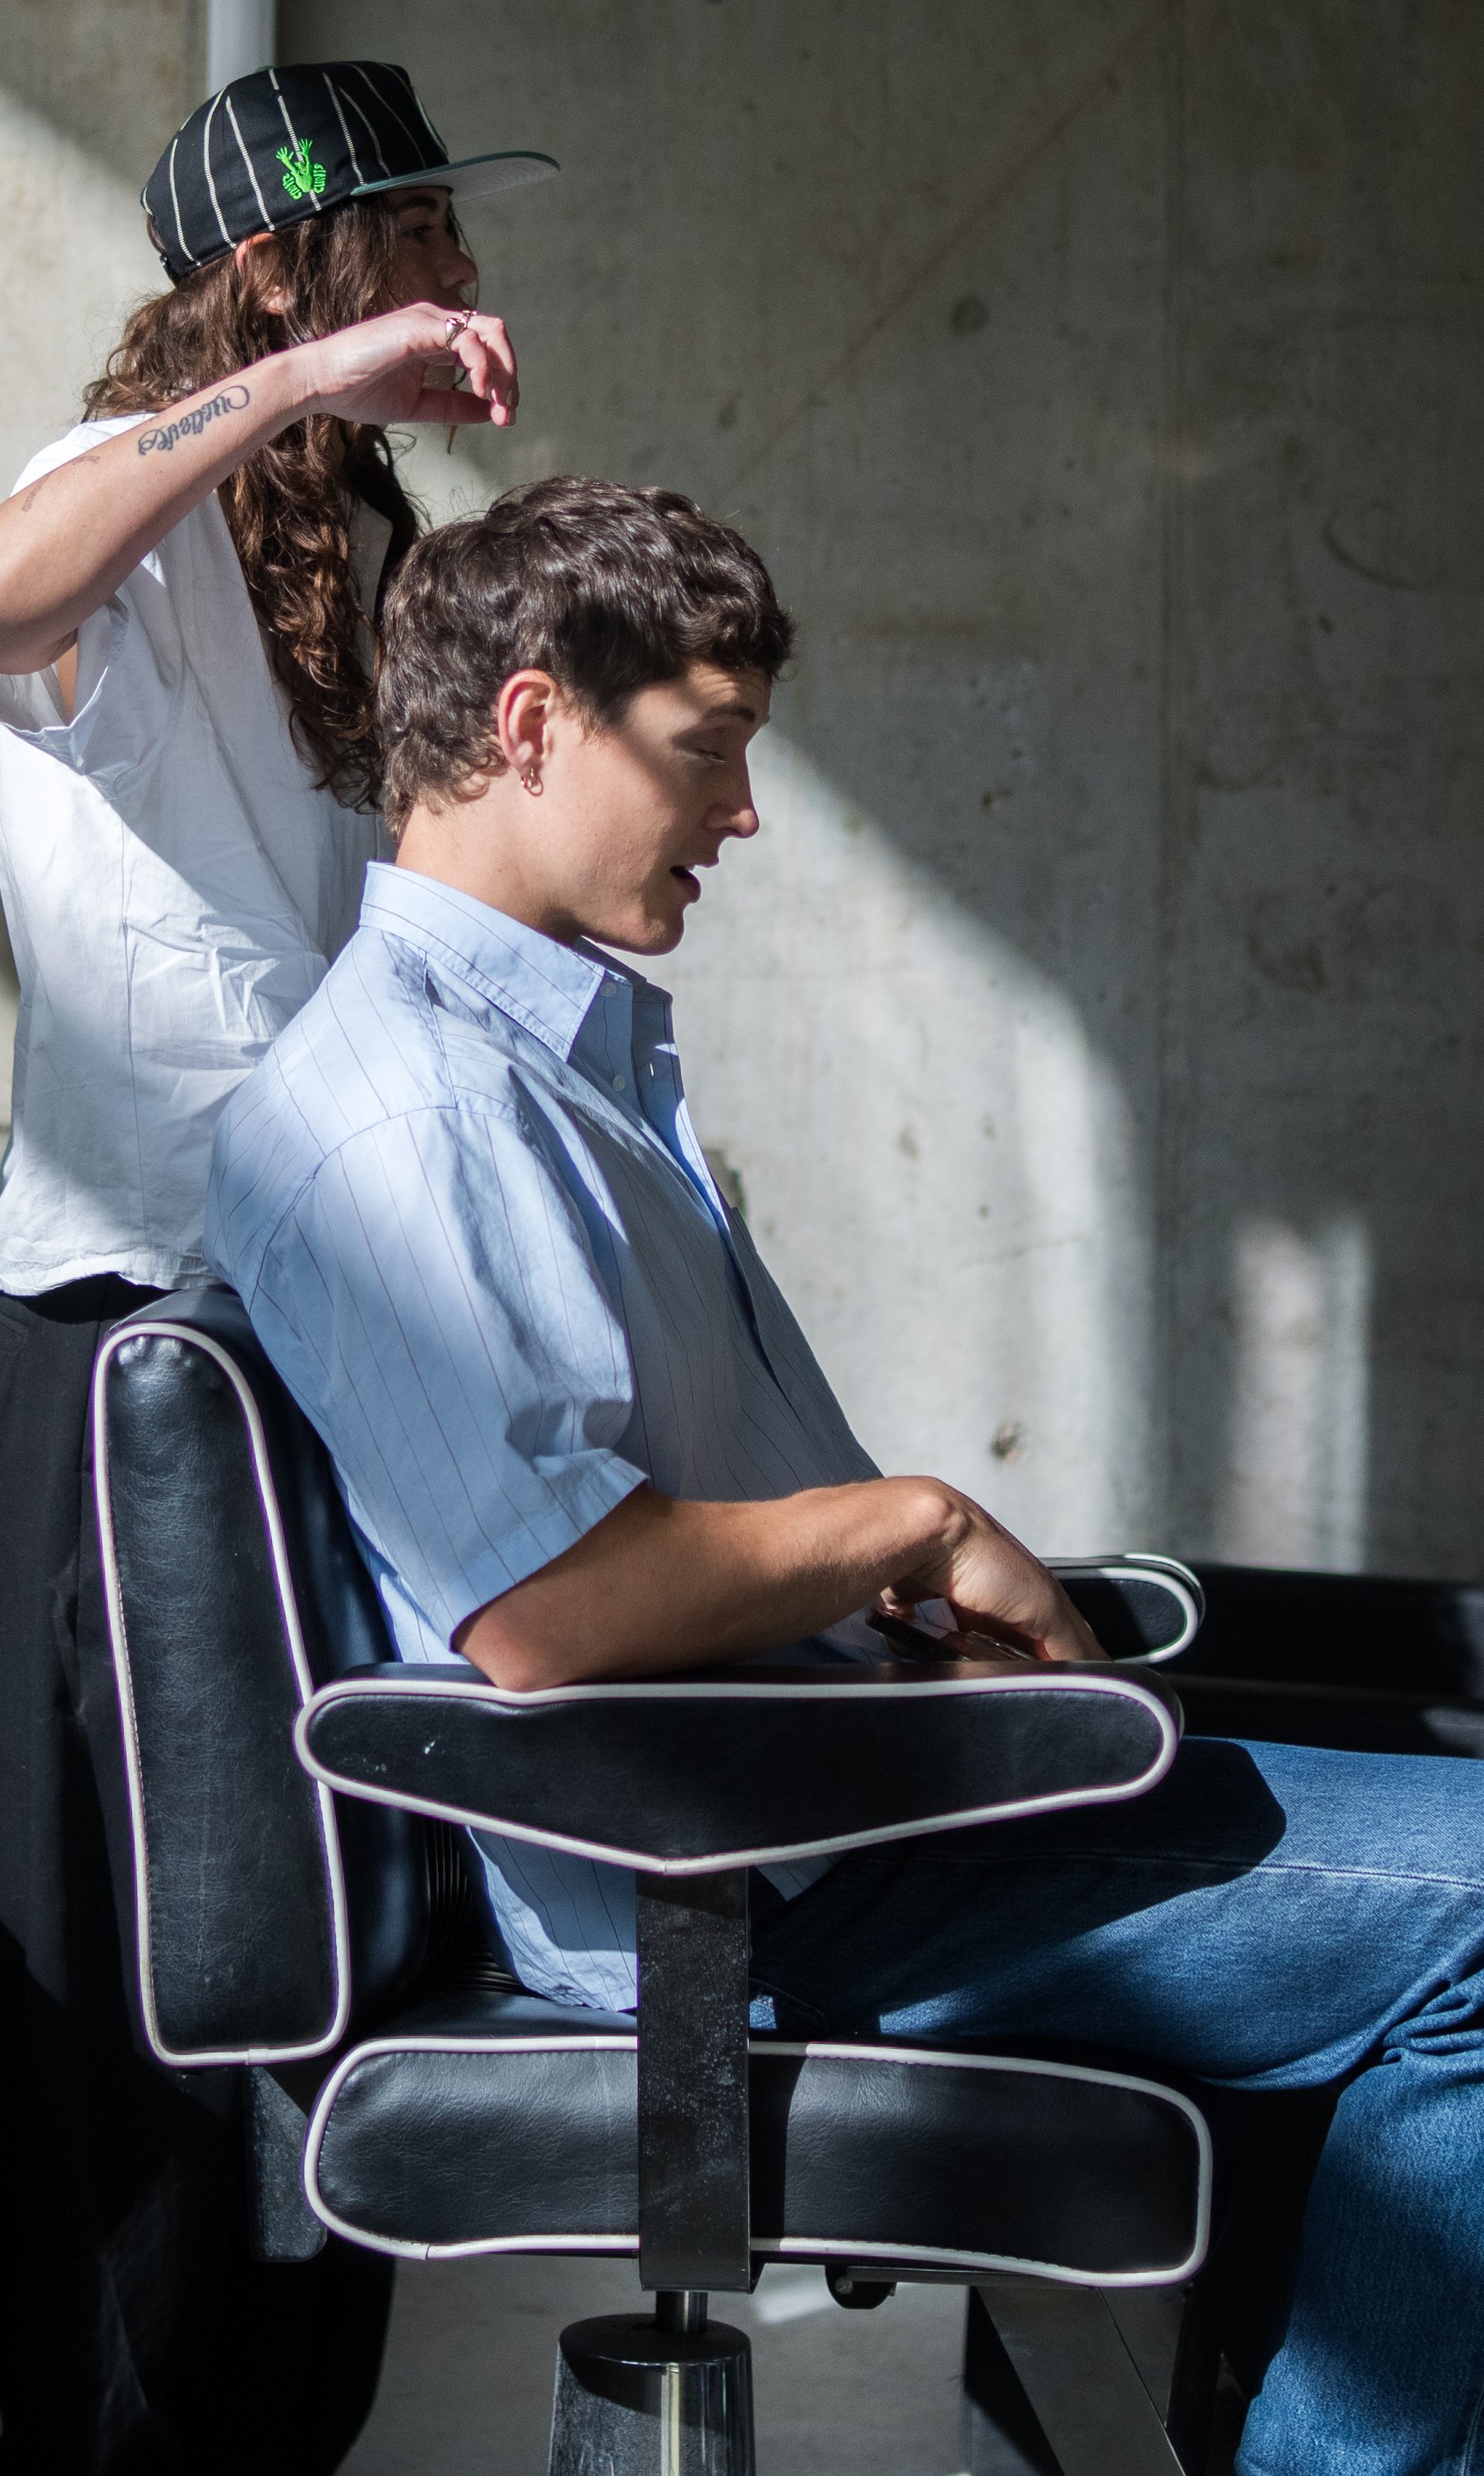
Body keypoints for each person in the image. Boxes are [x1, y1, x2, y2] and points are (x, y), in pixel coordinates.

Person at [204, 476, 1484, 2476]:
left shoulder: (550, 1074)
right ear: (532, 724)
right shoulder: (404, 1114)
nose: (742, 816)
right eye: (708, 752)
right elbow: (545, 1612)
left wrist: (888, 1633)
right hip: (747, 1888)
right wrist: (909, 1518)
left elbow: (644, 1531)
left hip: (819, 1813)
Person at [0, 62, 557, 2474]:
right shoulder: (112, 537)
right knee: (110, 2025)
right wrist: (289, 383)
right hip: (109, 1373)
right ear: (283, 268)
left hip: (328, 1370)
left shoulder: (364, 572)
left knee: (332, 1973)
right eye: (418, 237)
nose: (465, 293)